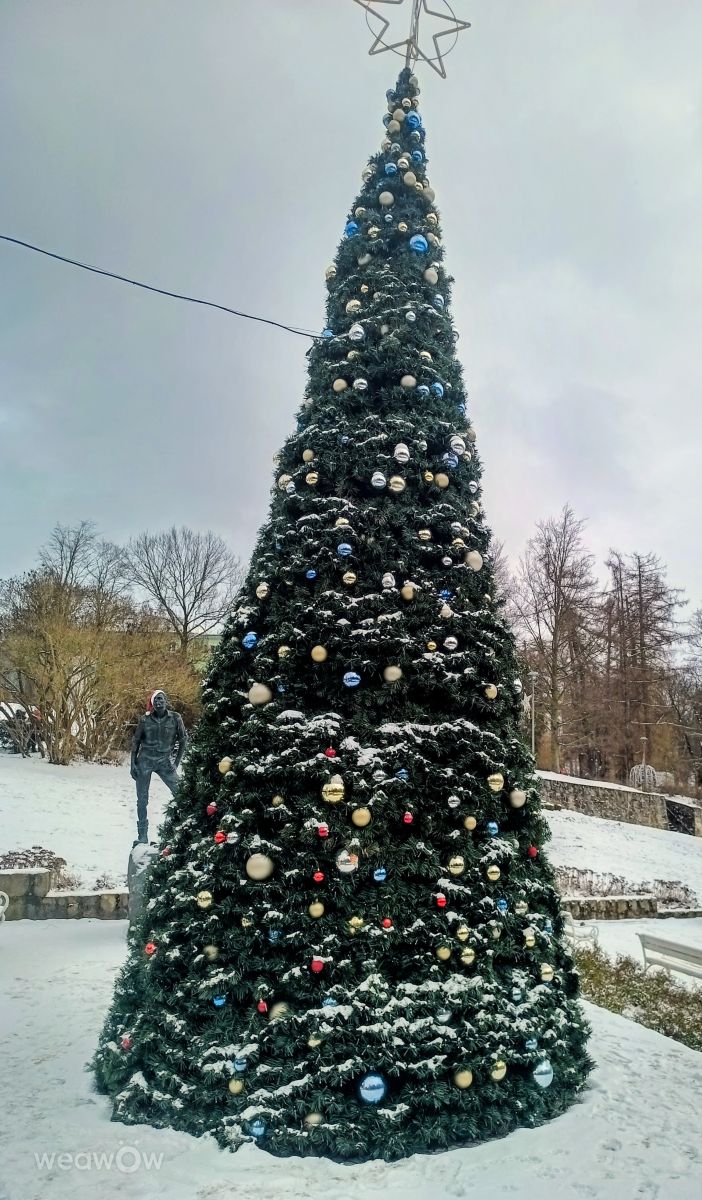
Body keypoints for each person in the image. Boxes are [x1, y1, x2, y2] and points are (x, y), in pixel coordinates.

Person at [130, 690, 187, 843]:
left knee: (181, 793)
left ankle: (182, 830)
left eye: (161, 699)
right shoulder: (144, 720)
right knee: (142, 800)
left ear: (166, 700)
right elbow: (136, 742)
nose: (158, 702)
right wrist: (132, 764)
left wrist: (176, 763)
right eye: (155, 700)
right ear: (153, 703)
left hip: (164, 761)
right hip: (145, 761)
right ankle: (142, 836)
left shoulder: (175, 718)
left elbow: (183, 740)